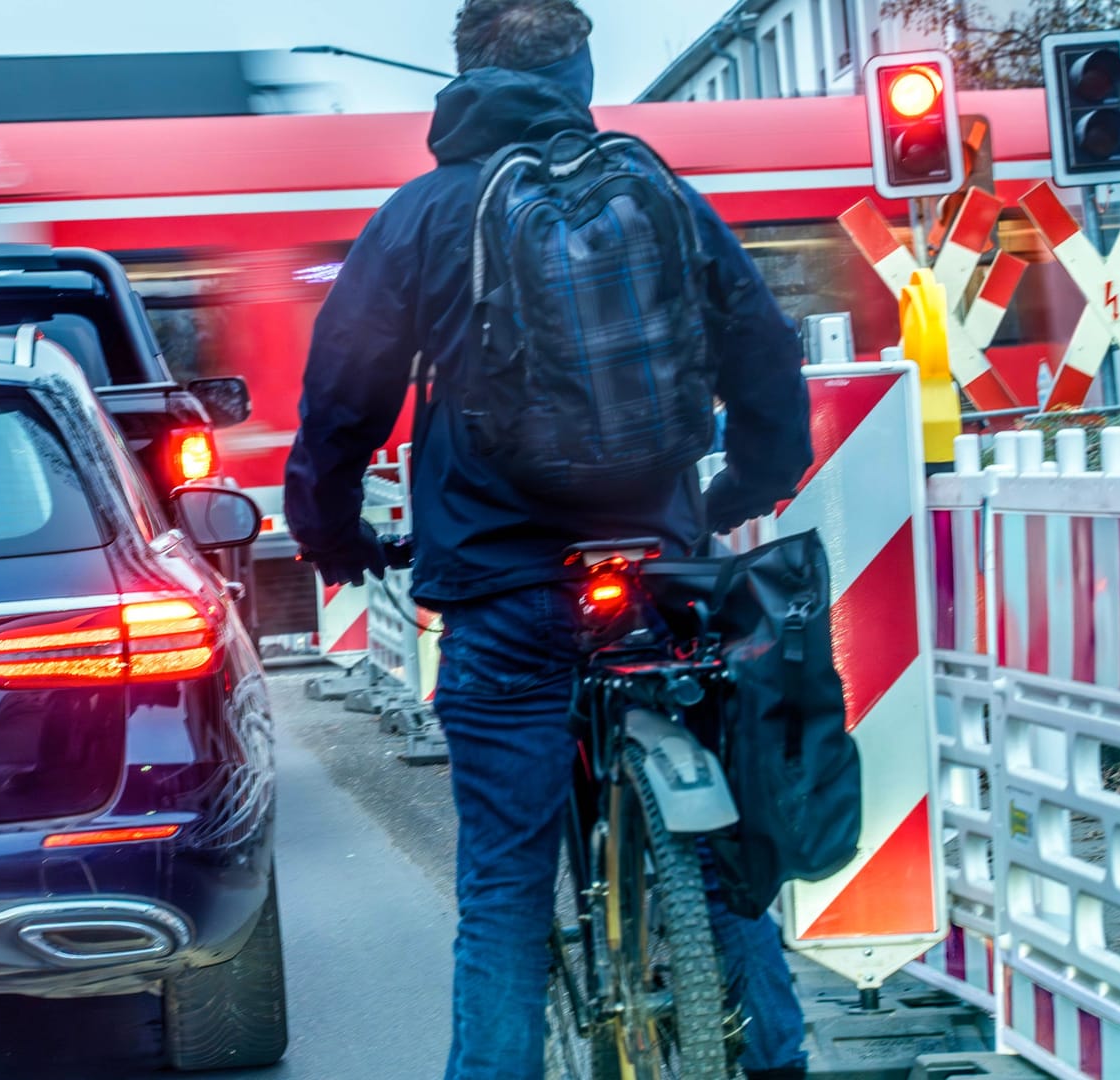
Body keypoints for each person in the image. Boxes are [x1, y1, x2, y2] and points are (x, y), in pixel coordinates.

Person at [282, 2, 816, 1079]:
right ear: (577, 75)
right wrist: (744, 486)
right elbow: (760, 347)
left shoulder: (425, 215)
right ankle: (776, 1058)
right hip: (658, 567)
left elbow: (342, 399)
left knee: (505, 893)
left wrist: (330, 532)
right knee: (719, 865)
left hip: (501, 586)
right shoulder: (657, 191)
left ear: (463, 76)